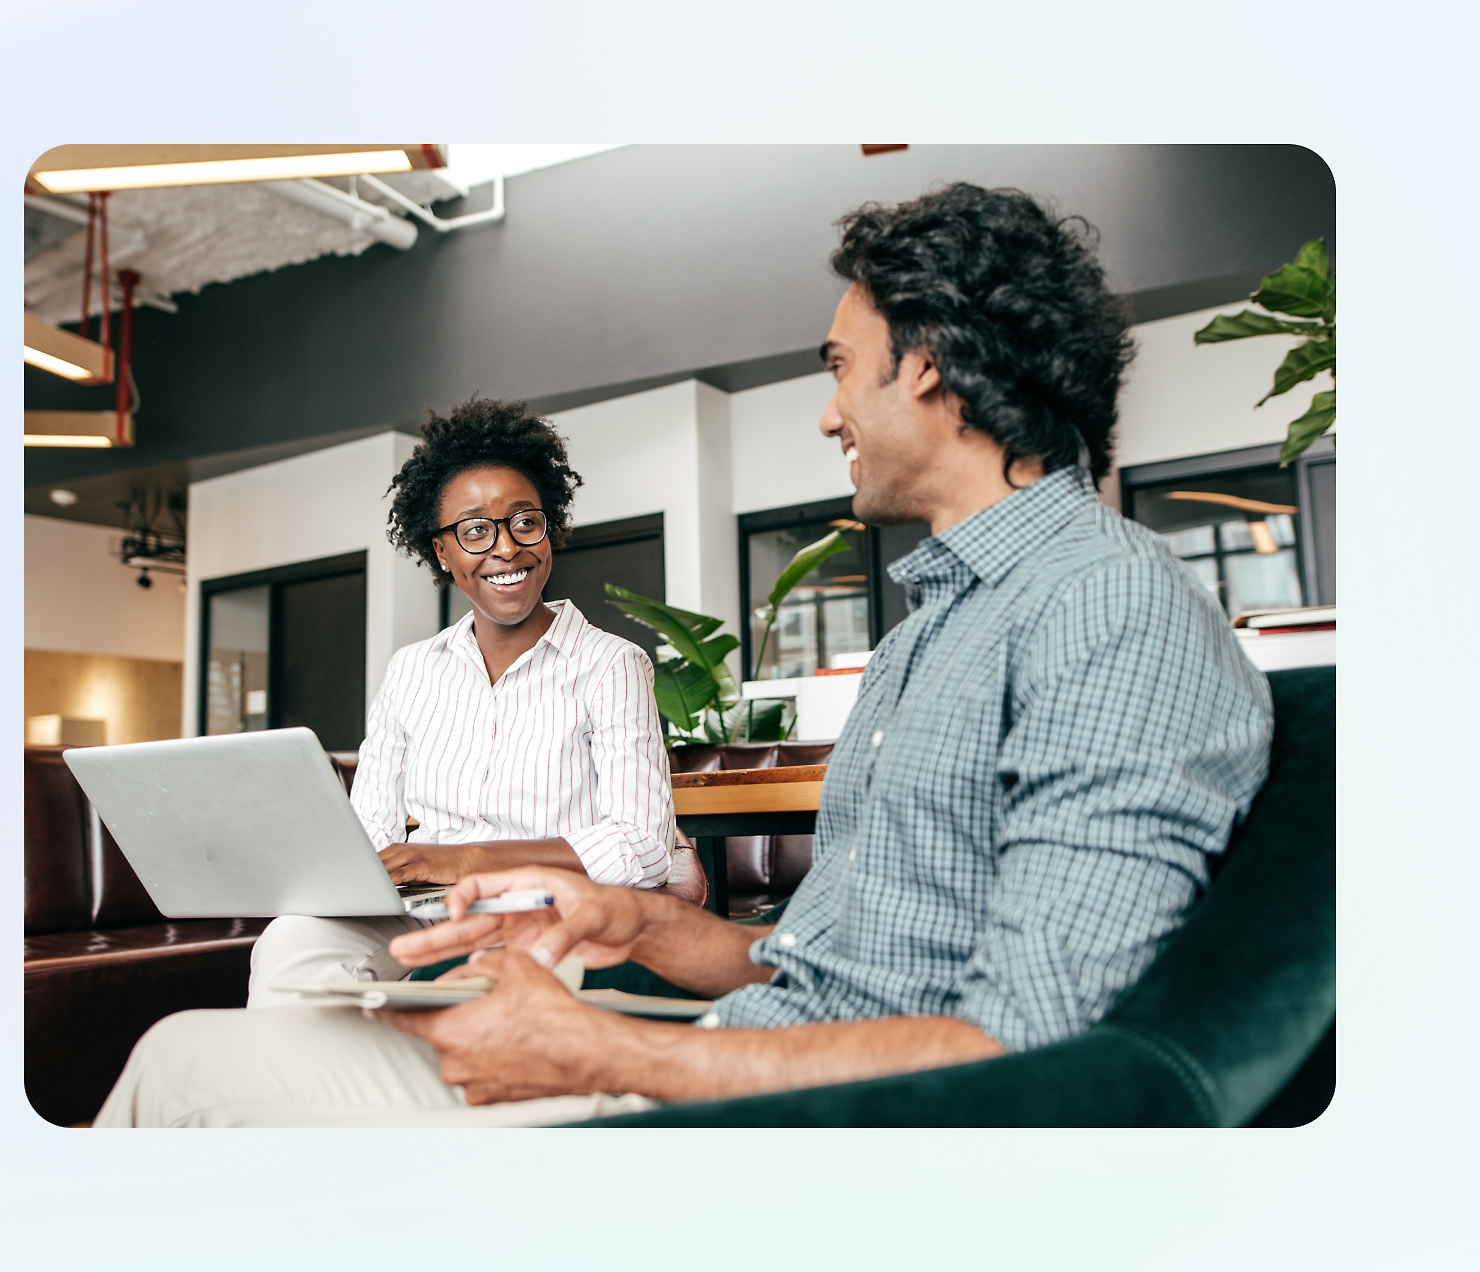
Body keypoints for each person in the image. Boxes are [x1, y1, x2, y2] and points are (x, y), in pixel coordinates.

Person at [97, 183, 1272, 1127]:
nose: (827, 414)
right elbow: (824, 962)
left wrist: (607, 1049)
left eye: (834, 366)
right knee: (197, 1047)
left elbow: (1028, 1047)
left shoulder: (1107, 610)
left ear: (925, 366)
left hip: (756, 1118)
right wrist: (636, 928)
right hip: (725, 1060)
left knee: (182, 1074)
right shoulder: (941, 628)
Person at [244, 398, 675, 1008]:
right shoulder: (413, 670)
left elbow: (641, 845)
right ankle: (316, 1097)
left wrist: (465, 860)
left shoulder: (611, 664)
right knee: (292, 947)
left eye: (524, 521)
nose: (506, 548)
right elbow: (371, 828)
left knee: (460, 980)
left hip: (545, 912)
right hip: (420, 911)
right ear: (443, 553)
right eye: (475, 531)